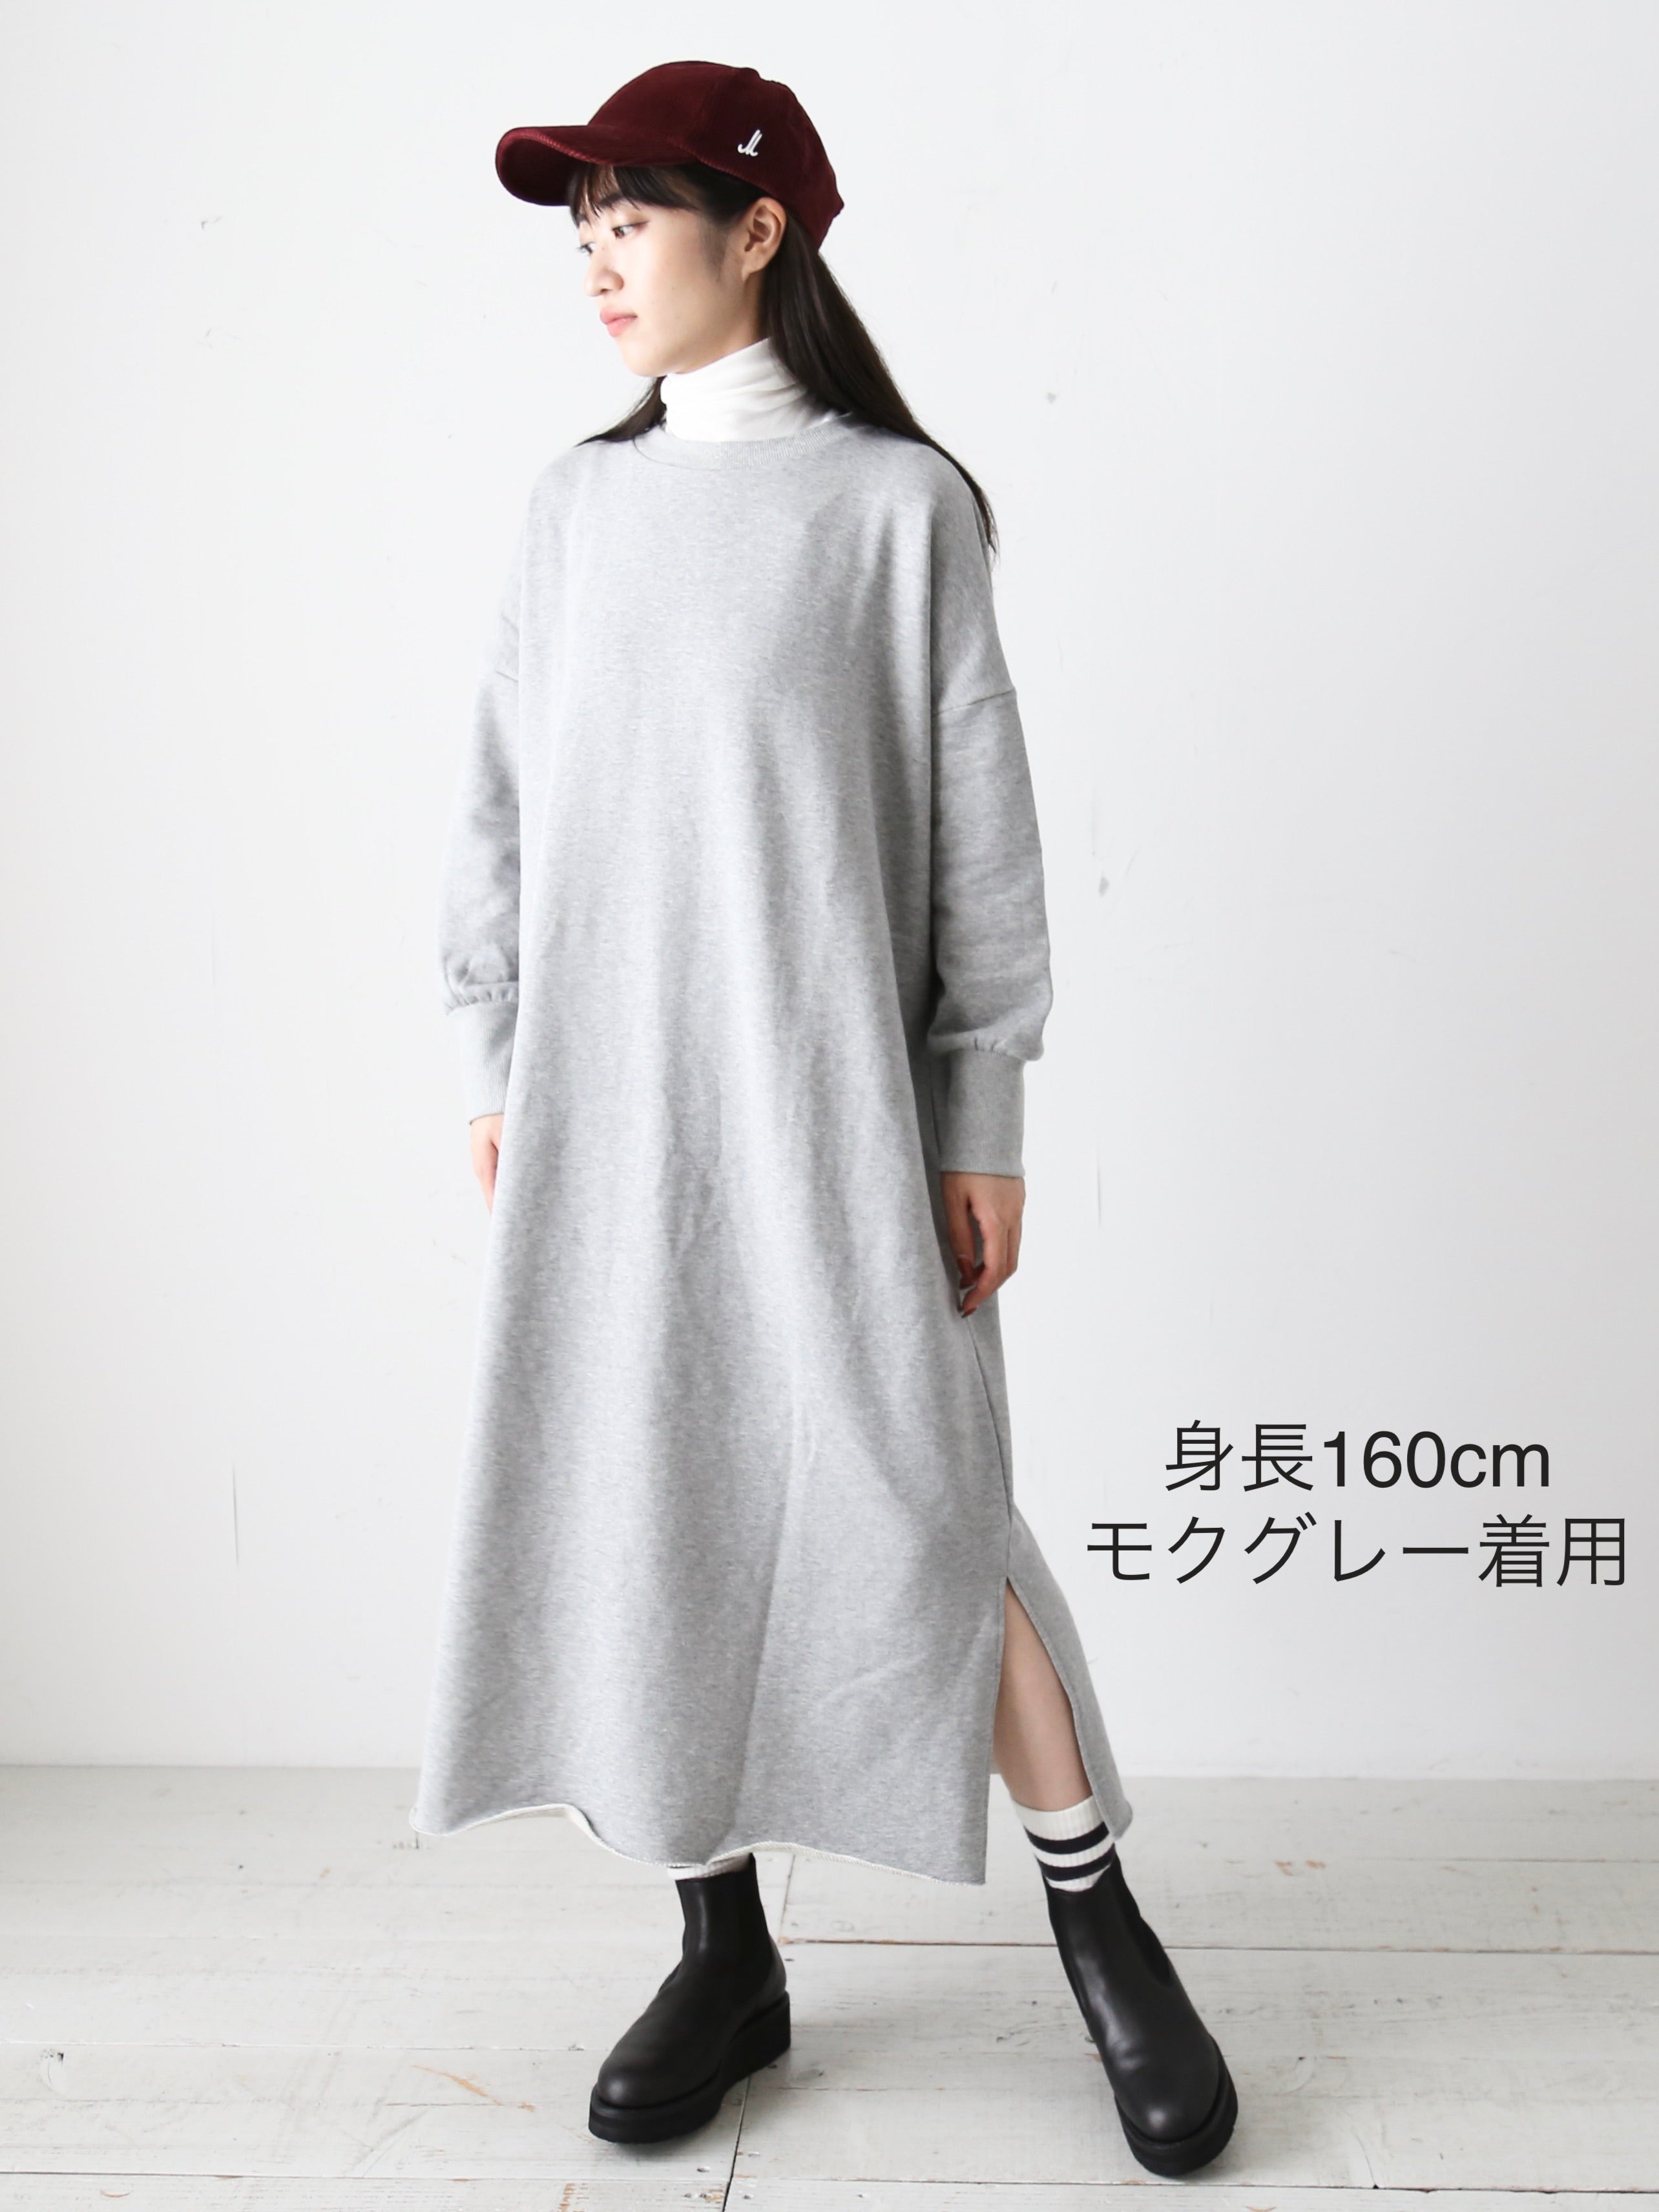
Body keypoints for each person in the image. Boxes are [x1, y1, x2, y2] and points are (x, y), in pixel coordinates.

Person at [410, 59, 1237, 2177]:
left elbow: (985, 842)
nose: (598, 264)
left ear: (758, 230)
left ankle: (1100, 1919)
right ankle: (723, 1950)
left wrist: (984, 1114)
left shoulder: (897, 508)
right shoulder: (574, 511)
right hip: (611, 1112)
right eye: (581, 228)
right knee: (653, 1493)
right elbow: (496, 807)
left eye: (631, 219)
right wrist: (499, 1065)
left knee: (921, 1498)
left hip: (837, 1098)